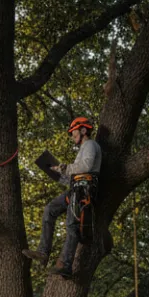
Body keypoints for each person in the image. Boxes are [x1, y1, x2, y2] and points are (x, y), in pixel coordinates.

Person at [22, 116, 102, 278]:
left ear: (84, 130)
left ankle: (65, 265)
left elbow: (85, 166)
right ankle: (43, 252)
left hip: (84, 190)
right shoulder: (83, 149)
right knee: (50, 210)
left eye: (74, 133)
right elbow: (75, 174)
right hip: (75, 188)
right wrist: (58, 172)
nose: (73, 137)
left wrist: (65, 168)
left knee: (71, 226)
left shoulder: (91, 145)